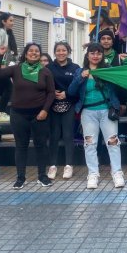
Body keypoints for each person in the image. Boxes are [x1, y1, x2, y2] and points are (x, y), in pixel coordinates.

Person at [0, 42, 55, 189]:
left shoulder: (45, 71)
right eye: (30, 51)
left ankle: (42, 176)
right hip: (19, 114)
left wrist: (45, 110)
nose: (34, 53)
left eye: (37, 51)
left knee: (41, 145)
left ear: (40, 55)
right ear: (25, 54)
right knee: (21, 146)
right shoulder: (16, 69)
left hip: (39, 114)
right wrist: (0, 54)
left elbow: (51, 93)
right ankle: (20, 177)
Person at [68, 43, 125, 189]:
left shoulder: (108, 71)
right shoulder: (80, 71)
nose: (95, 56)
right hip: (87, 113)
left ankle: (117, 172)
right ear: (87, 55)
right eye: (92, 53)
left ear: (102, 56)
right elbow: (71, 91)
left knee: (113, 142)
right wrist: (81, 77)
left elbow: (124, 77)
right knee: (89, 144)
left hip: (107, 111)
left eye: (98, 53)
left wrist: (123, 59)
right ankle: (93, 174)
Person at [46, 41, 80, 180]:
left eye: (64, 50)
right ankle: (52, 166)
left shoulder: (75, 67)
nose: (61, 53)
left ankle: (69, 165)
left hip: (69, 105)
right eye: (58, 50)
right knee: (53, 136)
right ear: (54, 52)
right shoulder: (48, 68)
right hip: (52, 105)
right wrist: (52, 93)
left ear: (68, 52)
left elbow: (78, 86)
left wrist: (67, 93)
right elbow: (44, 85)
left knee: (68, 135)